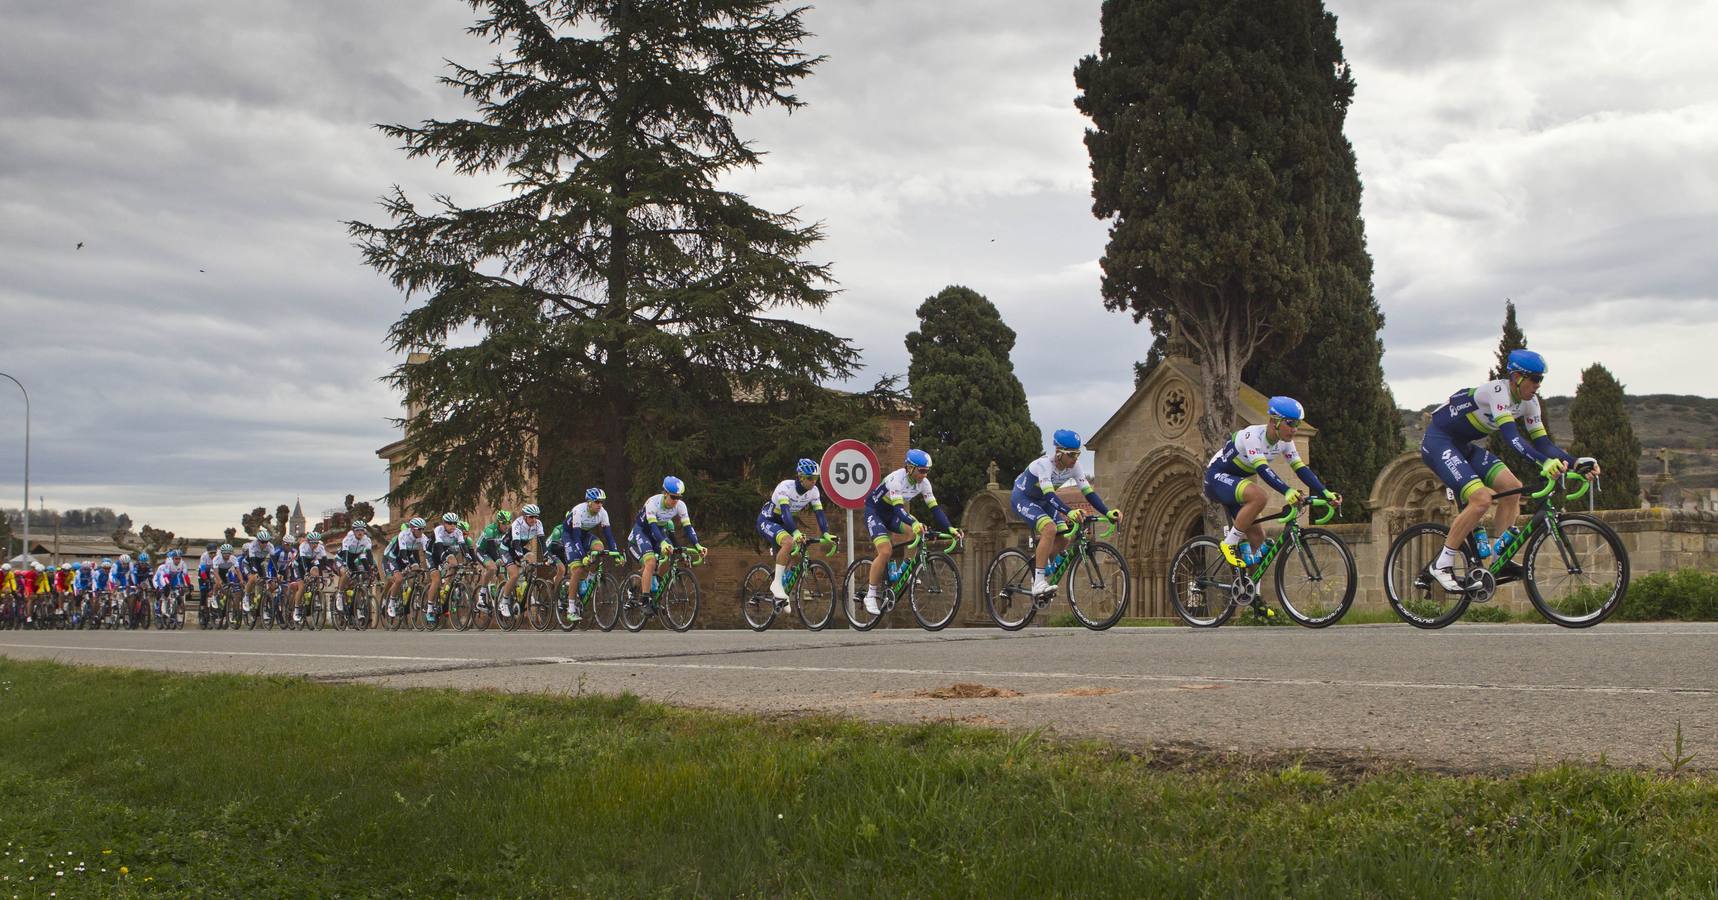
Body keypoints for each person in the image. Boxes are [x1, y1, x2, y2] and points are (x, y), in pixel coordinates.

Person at [1417, 349, 1598, 591]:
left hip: (1463, 446)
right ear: (1516, 377)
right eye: (1534, 378)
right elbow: (1512, 438)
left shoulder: (1530, 404)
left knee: (1513, 489)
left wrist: (1575, 463)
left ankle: (1498, 560)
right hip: (1439, 442)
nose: (1538, 385)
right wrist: (1542, 462)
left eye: (1541, 379)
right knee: (1481, 499)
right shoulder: (1498, 392)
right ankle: (1442, 564)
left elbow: (1543, 443)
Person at [1203, 396, 1340, 568]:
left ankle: (1252, 592)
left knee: (1259, 540)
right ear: (1274, 421)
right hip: (1216, 477)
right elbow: (1262, 469)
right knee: (1260, 496)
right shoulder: (1252, 435)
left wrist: (1325, 493)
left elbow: (1301, 469)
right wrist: (1287, 491)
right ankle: (1229, 544)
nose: (1294, 429)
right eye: (1290, 423)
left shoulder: (1285, 442)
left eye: (1297, 424)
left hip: (1236, 482)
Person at [1011, 430, 1123, 596]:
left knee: (1064, 537)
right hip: (1024, 498)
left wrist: (1107, 513)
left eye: (1077, 454)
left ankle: (1041, 566)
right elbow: (1050, 495)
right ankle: (1038, 582)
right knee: (1050, 529)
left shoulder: (1075, 467)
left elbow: (1089, 493)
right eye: (1071, 455)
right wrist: (1069, 512)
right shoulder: (1044, 465)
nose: (1075, 459)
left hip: (1043, 501)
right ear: (1059, 453)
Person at [859, 449, 961, 616]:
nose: (925, 474)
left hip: (892, 514)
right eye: (922, 471)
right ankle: (871, 594)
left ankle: (905, 571)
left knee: (918, 532)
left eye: (927, 471)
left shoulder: (924, 483)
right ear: (910, 468)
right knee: (885, 551)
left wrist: (950, 528)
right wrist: (914, 522)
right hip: (875, 512)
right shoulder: (896, 479)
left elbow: (935, 509)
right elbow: (899, 509)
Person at [757, 459, 834, 610]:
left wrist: (826, 533)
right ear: (800, 477)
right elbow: (785, 514)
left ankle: (780, 594)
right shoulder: (785, 487)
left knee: (796, 554)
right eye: (810, 478)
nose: (813, 482)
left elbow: (820, 514)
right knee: (789, 542)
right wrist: (796, 532)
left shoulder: (814, 492)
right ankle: (777, 584)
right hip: (768, 520)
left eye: (816, 478)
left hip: (784, 523)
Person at [629, 478, 703, 604]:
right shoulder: (653, 502)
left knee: (668, 553)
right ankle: (644, 599)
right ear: (665, 493)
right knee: (650, 562)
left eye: (678, 497)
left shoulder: (680, 505)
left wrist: (697, 545)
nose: (676, 501)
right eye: (673, 497)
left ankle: (654, 586)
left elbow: (688, 528)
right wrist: (663, 542)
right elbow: (652, 526)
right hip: (642, 531)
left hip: (658, 532)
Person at [556, 488, 621, 621]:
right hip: (571, 536)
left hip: (584, 535)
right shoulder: (579, 511)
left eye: (602, 502)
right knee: (578, 569)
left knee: (599, 548)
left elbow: (608, 535)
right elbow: (576, 536)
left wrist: (616, 553)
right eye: (597, 502)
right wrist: (583, 556)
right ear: (589, 502)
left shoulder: (603, 513)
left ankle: (590, 578)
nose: (600, 505)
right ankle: (571, 609)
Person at [498, 504, 545, 618]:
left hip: (519, 548)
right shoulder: (517, 524)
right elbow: (516, 544)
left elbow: (542, 542)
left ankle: (527, 591)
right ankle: (504, 602)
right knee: (514, 575)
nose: (534, 519)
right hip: (507, 549)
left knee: (532, 558)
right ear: (524, 517)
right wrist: (521, 559)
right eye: (531, 517)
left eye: (536, 517)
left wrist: (547, 556)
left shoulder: (538, 524)